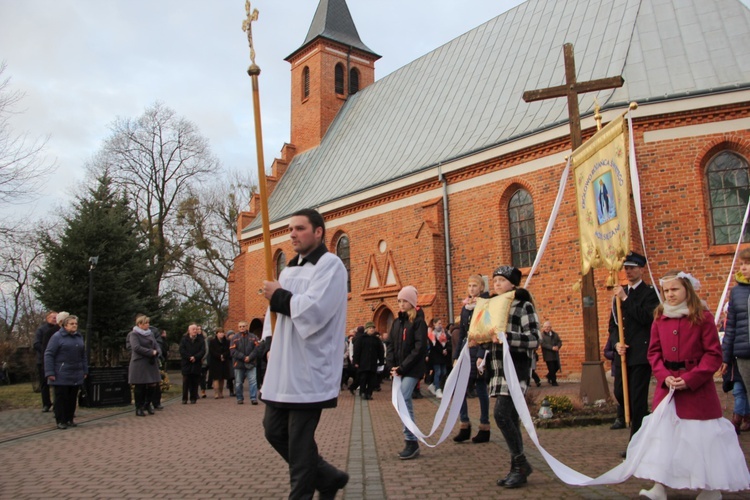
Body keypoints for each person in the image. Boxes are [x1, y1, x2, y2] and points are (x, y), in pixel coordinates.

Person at [260, 208, 350, 499]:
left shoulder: (331, 265)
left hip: (310, 369)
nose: (292, 234)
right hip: (283, 368)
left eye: (299, 228)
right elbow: (272, 316)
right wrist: (270, 343)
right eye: (290, 229)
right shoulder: (287, 271)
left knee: (300, 448)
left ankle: (305, 491)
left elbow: (314, 311)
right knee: (273, 430)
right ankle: (328, 477)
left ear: (318, 231)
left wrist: (278, 295)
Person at [636, 271, 750, 499]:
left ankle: (709, 488)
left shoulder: (703, 317)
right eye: (666, 290)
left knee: (702, 440)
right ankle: (659, 486)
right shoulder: (660, 318)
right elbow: (654, 353)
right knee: (663, 437)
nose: (670, 294)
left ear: (687, 289)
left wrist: (690, 379)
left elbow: (713, 354)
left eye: (675, 289)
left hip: (697, 391)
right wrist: (664, 375)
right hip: (668, 389)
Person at [475, 266, 539, 489]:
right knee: (511, 419)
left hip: (516, 370)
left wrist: (508, 337)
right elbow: (487, 335)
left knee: (501, 414)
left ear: (513, 284)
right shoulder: (492, 305)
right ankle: (517, 468)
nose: (497, 284)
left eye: (502, 280)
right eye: (495, 281)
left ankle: (521, 463)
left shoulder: (523, 306)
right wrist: (481, 343)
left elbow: (534, 339)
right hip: (497, 370)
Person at [607, 251, 660, 455]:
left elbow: (646, 318)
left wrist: (625, 298)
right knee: (621, 393)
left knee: (637, 400)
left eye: (632, 267)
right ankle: (646, 429)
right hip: (624, 353)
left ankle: (635, 444)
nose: (628, 271)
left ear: (641, 269)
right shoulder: (619, 296)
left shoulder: (649, 293)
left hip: (641, 352)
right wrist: (616, 342)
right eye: (626, 268)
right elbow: (613, 324)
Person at [386, 285, 428, 460]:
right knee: (402, 400)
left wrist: (403, 367)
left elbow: (419, 348)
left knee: (403, 397)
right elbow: (390, 345)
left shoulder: (418, 322)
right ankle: (410, 440)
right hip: (400, 369)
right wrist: (392, 365)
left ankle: (411, 440)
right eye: (399, 301)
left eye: (405, 301)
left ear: (412, 302)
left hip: (412, 369)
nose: (401, 304)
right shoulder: (397, 322)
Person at [453, 274, 491, 444]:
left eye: (475, 286)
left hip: (479, 350)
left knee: (481, 388)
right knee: (459, 387)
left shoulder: (485, 305)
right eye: (469, 286)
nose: (471, 289)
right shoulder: (466, 307)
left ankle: (484, 426)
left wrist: (482, 354)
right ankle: (464, 424)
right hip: (466, 350)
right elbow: (461, 333)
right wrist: (456, 356)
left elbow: (487, 329)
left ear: (481, 288)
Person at [722, 247, 750, 432]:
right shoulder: (736, 292)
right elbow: (730, 327)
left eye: (748, 263)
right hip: (744, 353)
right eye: (742, 264)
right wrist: (725, 357)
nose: (744, 267)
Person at [44, 315, 88, 430]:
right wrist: (50, 372)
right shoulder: (57, 337)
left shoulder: (79, 337)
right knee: (61, 398)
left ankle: (69, 419)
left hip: (76, 372)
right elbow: (49, 354)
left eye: (76, 324)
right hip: (61, 373)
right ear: (65, 325)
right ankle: (61, 420)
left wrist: (84, 369)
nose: (74, 326)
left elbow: (83, 355)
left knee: (72, 398)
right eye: (72, 324)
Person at [127, 315, 161, 417]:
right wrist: (151, 352)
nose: (148, 325)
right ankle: (139, 407)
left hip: (150, 363)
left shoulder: (150, 334)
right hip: (139, 363)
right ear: (139, 324)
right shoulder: (134, 334)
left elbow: (156, 345)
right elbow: (136, 347)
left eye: (148, 323)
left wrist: (158, 351)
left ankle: (147, 404)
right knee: (140, 386)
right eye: (146, 323)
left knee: (152, 385)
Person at [33, 311, 57, 413]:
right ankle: (46, 404)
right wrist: (47, 351)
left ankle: (58, 404)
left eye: (56, 317)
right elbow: (36, 344)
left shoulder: (60, 330)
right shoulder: (41, 330)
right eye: (53, 317)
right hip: (43, 360)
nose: (55, 319)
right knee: (44, 383)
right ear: (47, 318)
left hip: (57, 361)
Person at [230, 321, 260, 405]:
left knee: (253, 382)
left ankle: (253, 398)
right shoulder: (234, 338)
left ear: (247, 327)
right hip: (238, 363)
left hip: (251, 363)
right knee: (238, 382)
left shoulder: (253, 337)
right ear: (238, 327)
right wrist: (243, 357)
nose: (242, 328)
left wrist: (249, 357)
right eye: (240, 326)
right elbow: (232, 351)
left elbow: (257, 348)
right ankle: (239, 398)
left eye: (243, 326)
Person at [352, 322, 384, 400]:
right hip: (363, 362)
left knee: (371, 379)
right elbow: (356, 351)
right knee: (363, 378)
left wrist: (381, 361)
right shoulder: (361, 339)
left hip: (373, 362)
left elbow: (381, 351)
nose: (372, 330)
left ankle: (369, 393)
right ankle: (362, 392)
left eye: (373, 328)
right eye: (370, 328)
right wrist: (356, 361)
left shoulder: (376, 340)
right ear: (366, 329)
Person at [603, 338, 626, 430]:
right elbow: (606, 352)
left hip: (633, 367)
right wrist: (615, 353)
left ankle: (626, 417)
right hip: (618, 368)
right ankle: (621, 418)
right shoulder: (614, 336)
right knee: (619, 392)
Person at [179, 324, 205, 404]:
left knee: (195, 381)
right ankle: (184, 398)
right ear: (189, 330)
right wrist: (189, 357)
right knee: (186, 381)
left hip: (196, 363)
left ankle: (193, 398)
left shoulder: (200, 340)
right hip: (186, 363)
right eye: (193, 329)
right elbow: (182, 350)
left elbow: (202, 351)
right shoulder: (184, 340)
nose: (195, 331)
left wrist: (195, 357)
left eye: (196, 329)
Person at [427, 318, 450, 399]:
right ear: (434, 324)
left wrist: (446, 349)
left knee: (444, 372)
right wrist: (442, 350)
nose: (440, 325)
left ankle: (433, 385)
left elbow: (447, 342)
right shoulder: (432, 334)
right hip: (436, 356)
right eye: (439, 323)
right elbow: (434, 345)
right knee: (438, 372)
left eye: (441, 323)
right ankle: (438, 389)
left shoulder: (443, 333)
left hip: (443, 356)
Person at [208, 328, 231, 398]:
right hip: (215, 361)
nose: (221, 334)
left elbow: (228, 350)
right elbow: (211, 351)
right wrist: (219, 356)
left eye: (222, 332)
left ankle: (221, 392)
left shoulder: (227, 342)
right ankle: (216, 393)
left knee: (222, 378)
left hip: (224, 361)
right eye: (219, 333)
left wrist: (223, 356)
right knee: (216, 378)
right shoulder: (212, 342)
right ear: (216, 334)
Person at [540, 321, 562, 386]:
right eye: (545, 327)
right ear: (543, 327)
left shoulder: (555, 334)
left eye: (548, 327)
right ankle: (554, 381)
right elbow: (543, 344)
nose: (546, 328)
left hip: (555, 354)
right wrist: (551, 347)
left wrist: (558, 346)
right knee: (551, 368)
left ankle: (549, 376)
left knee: (557, 366)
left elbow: (559, 341)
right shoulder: (542, 335)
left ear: (550, 327)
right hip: (548, 355)